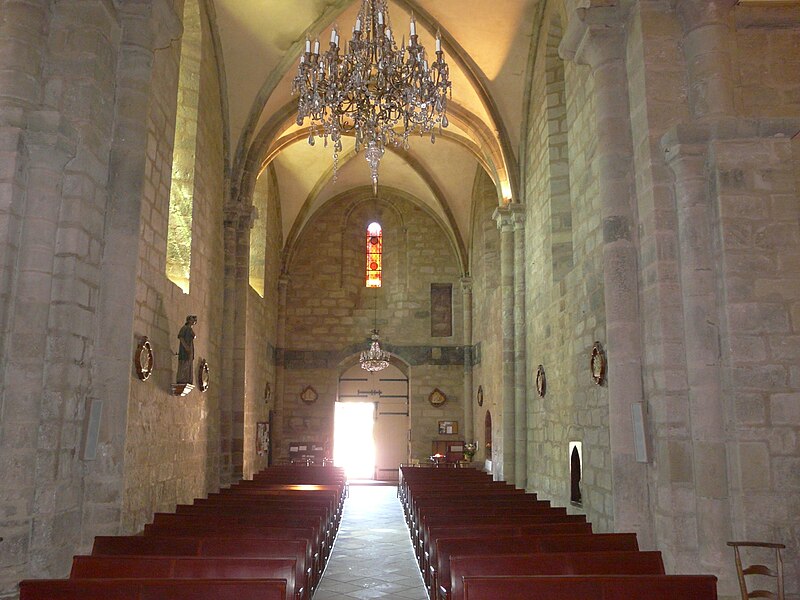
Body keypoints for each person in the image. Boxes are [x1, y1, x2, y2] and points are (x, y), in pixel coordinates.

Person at [176, 315, 197, 384]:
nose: (193, 321)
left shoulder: (190, 329)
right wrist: (186, 347)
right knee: (184, 363)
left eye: (194, 320)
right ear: (188, 320)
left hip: (190, 348)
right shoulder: (184, 328)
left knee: (189, 364)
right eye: (191, 320)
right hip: (185, 349)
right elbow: (181, 337)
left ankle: (188, 379)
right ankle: (182, 379)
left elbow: (194, 336)